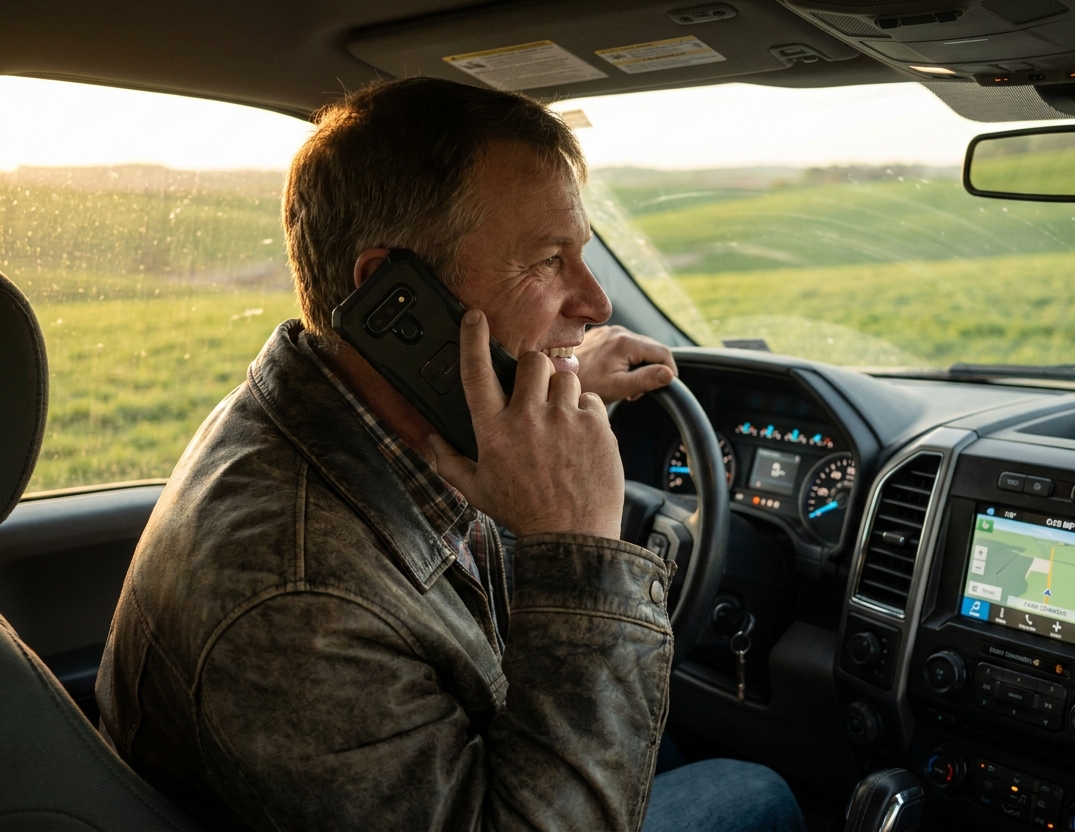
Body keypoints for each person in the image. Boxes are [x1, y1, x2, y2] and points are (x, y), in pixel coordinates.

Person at [97, 76, 803, 831]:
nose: (596, 304)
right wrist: (583, 559)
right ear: (397, 304)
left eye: (583, 256)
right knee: (754, 790)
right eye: (547, 261)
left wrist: (553, 375)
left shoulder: (322, 403)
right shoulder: (299, 602)